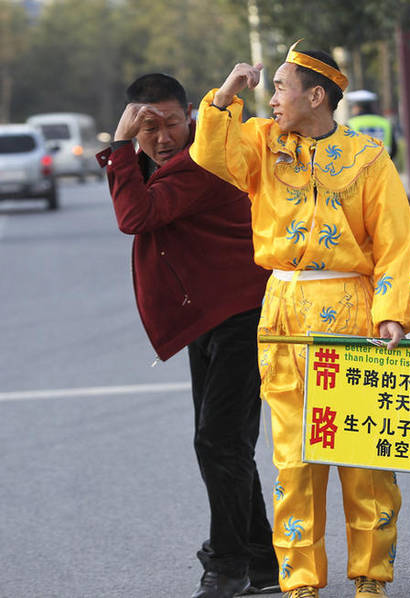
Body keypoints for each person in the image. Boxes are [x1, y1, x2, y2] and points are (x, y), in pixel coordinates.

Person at [188, 41, 410, 598]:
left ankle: (370, 577)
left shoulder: (368, 158)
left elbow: (394, 241)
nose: (273, 100)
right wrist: (226, 94)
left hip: (348, 311)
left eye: (281, 88)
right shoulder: (263, 146)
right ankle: (300, 583)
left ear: (316, 96)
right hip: (283, 312)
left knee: (362, 454)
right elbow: (209, 155)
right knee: (295, 458)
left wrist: (391, 316)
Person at [95, 73, 279, 598]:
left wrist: (121, 144)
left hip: (244, 316)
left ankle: (227, 566)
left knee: (220, 441)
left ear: (190, 118)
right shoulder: (163, 160)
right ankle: (262, 561)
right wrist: (126, 149)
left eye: (171, 123)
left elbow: (135, 216)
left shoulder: (203, 159)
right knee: (225, 445)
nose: (162, 137)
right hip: (210, 318)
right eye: (148, 127)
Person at [345, 89, 398, 160]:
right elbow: (394, 148)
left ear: (357, 107)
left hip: (360, 167)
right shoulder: (385, 123)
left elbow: (345, 148)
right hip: (384, 165)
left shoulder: (351, 123)